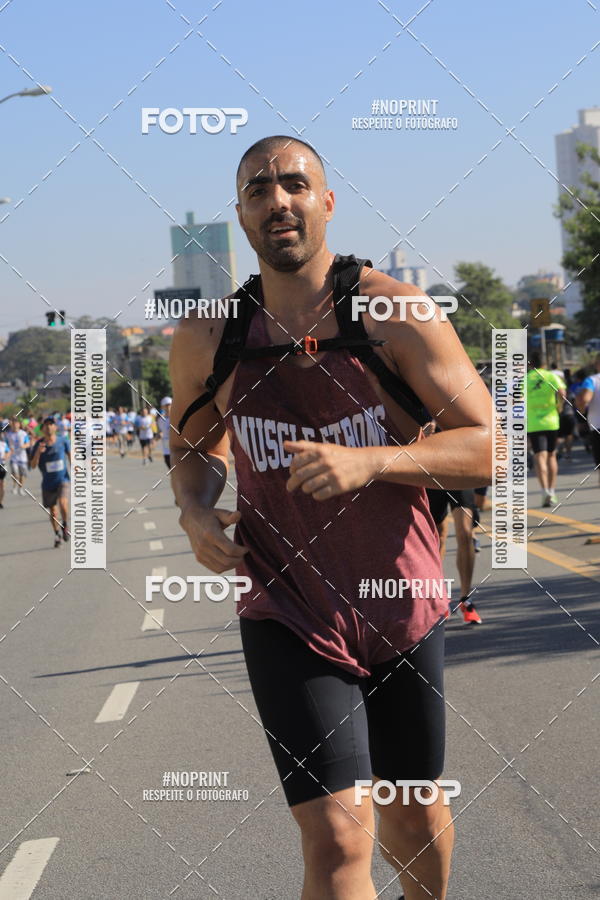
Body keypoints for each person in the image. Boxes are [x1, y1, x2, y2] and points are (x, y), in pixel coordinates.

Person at [169, 136, 493, 900]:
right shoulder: (210, 338)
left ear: (327, 203)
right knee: (340, 837)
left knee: (410, 815)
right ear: (242, 216)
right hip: (287, 611)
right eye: (257, 190)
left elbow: (488, 448)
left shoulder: (392, 313)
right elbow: (191, 446)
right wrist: (193, 512)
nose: (276, 200)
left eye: (294, 184)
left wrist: (372, 461)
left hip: (400, 607)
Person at [425, 487, 482, 625]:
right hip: (431, 475)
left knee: (465, 532)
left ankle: (465, 600)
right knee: (438, 535)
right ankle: (437, 596)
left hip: (459, 474)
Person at [526, 351, 566, 507]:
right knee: (551, 456)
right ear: (544, 364)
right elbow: (562, 392)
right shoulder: (551, 376)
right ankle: (552, 491)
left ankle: (544, 492)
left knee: (539, 457)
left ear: (531, 364)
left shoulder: (526, 378)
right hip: (551, 421)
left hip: (534, 423)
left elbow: (517, 398)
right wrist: (559, 406)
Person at [30, 416, 71, 547]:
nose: (48, 427)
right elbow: (32, 465)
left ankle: (65, 525)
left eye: (51, 424)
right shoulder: (39, 444)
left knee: (63, 503)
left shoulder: (63, 441)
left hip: (62, 479)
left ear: (55, 427)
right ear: (42, 429)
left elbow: (71, 456)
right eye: (46, 425)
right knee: (53, 511)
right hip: (48, 483)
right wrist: (38, 453)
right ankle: (57, 533)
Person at [576, 353, 600, 485]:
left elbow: (585, 399)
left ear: (597, 365)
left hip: (597, 425)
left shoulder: (592, 380)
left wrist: (582, 409)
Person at [6, 417, 30, 495]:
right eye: (13, 424)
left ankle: (20, 488)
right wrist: (8, 451)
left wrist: (24, 446)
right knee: (15, 474)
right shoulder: (8, 434)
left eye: (16, 424)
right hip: (13, 458)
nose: (15, 425)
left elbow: (28, 444)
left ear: (19, 425)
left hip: (22, 457)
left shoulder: (23, 433)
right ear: (11, 425)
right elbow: (6, 445)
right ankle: (14, 487)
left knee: (22, 475)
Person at [157, 396, 172, 468]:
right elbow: (159, 432)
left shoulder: (177, 418)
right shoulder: (160, 420)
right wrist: (158, 436)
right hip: (167, 450)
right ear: (162, 407)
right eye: (166, 405)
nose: (168, 407)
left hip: (177, 449)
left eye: (169, 405)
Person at [0, 430, 9, 508]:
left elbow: (8, 452)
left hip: (2, 466)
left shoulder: (3, 444)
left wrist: (4, 457)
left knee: (2, 485)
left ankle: (0, 501)